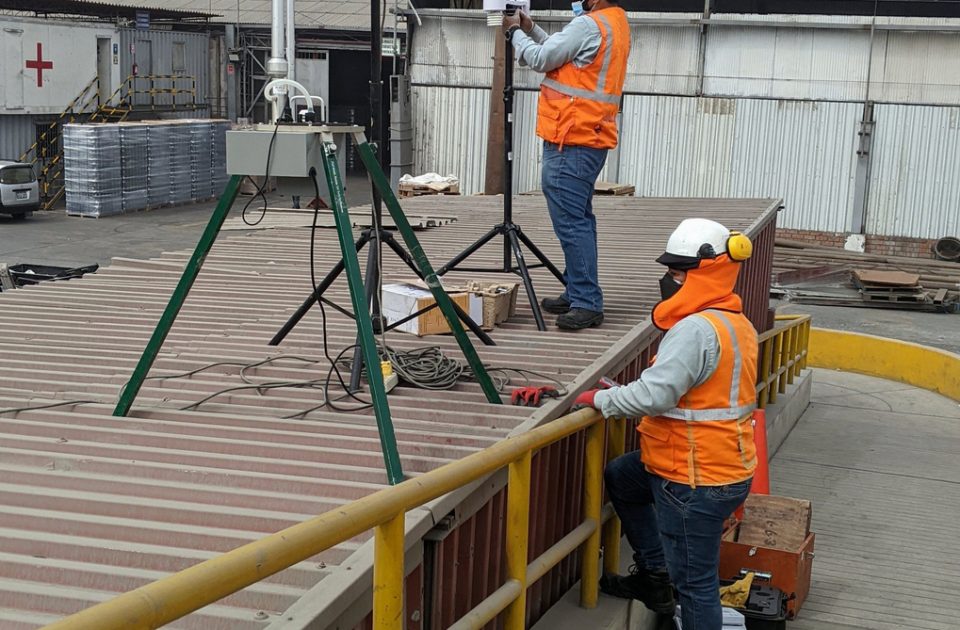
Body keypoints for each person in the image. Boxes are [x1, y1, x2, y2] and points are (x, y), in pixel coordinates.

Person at [573, 218, 759, 629]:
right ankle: (655, 575)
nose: (669, 281)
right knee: (623, 476)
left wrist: (599, 399)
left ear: (704, 273)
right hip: (723, 467)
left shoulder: (694, 329)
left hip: (695, 480)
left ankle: (666, 581)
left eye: (677, 272)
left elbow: (655, 396)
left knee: (696, 586)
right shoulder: (736, 323)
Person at [502, 0, 630, 330]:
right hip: (589, 136)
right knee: (580, 220)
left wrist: (514, 33)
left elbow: (542, 59)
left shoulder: (588, 25)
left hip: (571, 138)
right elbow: (561, 52)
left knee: (573, 224)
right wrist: (530, 29)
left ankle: (586, 301)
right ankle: (576, 291)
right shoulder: (614, 22)